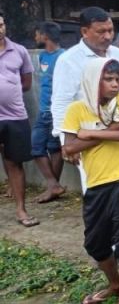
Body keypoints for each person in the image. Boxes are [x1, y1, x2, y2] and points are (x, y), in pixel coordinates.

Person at [61, 58, 119, 304]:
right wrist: (110, 129)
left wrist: (90, 134)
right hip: (97, 183)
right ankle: (116, 284)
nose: (114, 84)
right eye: (107, 79)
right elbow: (69, 148)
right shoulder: (77, 109)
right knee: (95, 243)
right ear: (93, 81)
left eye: (117, 79)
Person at [50, 7, 119, 200]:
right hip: (88, 128)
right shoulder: (69, 60)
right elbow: (61, 101)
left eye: (110, 30)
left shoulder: (118, 54)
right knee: (95, 182)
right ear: (85, 31)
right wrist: (66, 142)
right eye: (101, 31)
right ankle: (101, 216)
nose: (108, 36)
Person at [0, 11, 39, 227]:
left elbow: (26, 83)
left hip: (15, 115)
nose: (0, 29)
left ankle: (21, 210)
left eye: (1, 25)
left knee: (14, 162)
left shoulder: (19, 51)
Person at [31, 20, 65, 203]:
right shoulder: (43, 56)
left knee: (43, 147)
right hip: (44, 109)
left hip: (55, 110)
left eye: (37, 33)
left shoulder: (63, 57)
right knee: (45, 147)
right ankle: (54, 186)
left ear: (44, 36)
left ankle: (53, 186)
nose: (35, 37)